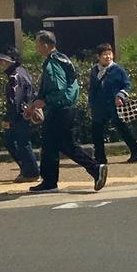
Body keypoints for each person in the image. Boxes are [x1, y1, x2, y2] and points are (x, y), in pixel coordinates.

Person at [28, 30, 104, 192]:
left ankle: (94, 168)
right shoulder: (63, 58)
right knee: (54, 145)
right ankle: (50, 181)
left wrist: (44, 100)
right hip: (66, 108)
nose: (36, 48)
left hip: (59, 109)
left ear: (46, 45)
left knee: (59, 144)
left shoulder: (53, 63)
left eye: (38, 44)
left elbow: (58, 86)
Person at [87, 43, 137, 167]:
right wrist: (90, 105)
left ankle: (135, 150)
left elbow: (127, 85)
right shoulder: (94, 70)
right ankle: (100, 157)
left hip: (114, 105)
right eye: (104, 55)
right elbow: (92, 89)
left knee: (122, 128)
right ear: (98, 56)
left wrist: (121, 95)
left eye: (109, 54)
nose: (107, 57)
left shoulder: (118, 69)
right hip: (99, 106)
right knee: (97, 131)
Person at [0, 48, 38, 181]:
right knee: (18, 141)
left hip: (20, 114)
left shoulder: (15, 76)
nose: (0, 62)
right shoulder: (22, 71)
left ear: (9, 60)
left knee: (18, 142)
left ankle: (31, 171)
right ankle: (28, 169)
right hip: (25, 112)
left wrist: (9, 118)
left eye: (3, 59)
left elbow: (15, 99)